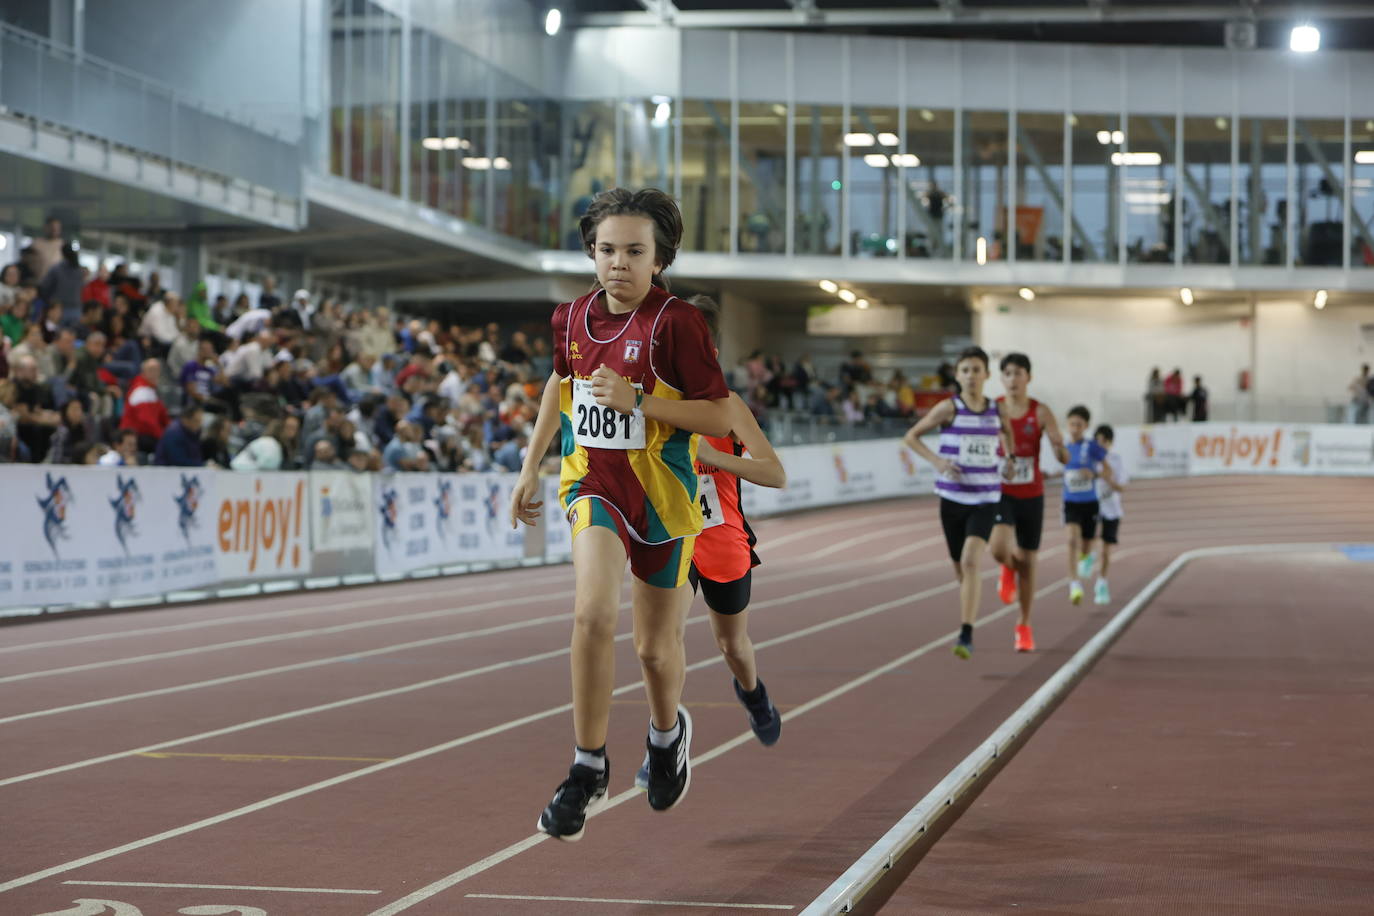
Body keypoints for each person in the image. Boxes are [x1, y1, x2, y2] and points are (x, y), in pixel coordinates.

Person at [509, 187, 730, 842]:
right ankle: (587, 767)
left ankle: (666, 737)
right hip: (594, 483)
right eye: (607, 250)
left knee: (655, 650)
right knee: (592, 613)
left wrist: (641, 402)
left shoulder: (678, 325)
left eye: (635, 252)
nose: (619, 264)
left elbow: (718, 417)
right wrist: (531, 463)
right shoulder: (570, 318)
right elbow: (561, 383)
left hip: (662, 495)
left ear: (659, 260)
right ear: (591, 253)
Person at [632, 295, 787, 792]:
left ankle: (753, 693)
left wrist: (712, 456)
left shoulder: (728, 407)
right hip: (671, 536)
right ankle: (663, 741)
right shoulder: (649, 400)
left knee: (731, 644)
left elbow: (775, 474)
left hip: (722, 540)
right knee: (661, 645)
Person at [902, 346, 1008, 659]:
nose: (971, 376)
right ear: (957, 375)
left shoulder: (997, 410)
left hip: (986, 498)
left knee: (972, 560)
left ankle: (966, 633)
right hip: (952, 498)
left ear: (987, 374)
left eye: (977, 370)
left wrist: (1011, 459)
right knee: (961, 570)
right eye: (965, 370)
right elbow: (911, 437)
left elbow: (1008, 437)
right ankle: (970, 609)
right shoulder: (948, 408)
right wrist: (936, 461)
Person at [989, 353, 1069, 653]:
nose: (1013, 379)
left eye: (1018, 373)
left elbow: (1060, 449)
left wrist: (1060, 451)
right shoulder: (994, 409)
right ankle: (1007, 567)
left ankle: (1024, 625)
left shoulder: (1040, 411)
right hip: (1001, 491)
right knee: (999, 549)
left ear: (1028, 377)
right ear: (1001, 378)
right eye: (1007, 373)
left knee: (1029, 562)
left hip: (1031, 495)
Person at [1060, 405, 1118, 605]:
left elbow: (1108, 471)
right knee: (1071, 540)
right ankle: (1074, 584)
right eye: (1072, 424)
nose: (1075, 428)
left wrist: (1094, 474)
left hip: (1090, 503)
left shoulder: (1092, 446)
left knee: (1085, 546)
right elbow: (1065, 471)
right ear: (1067, 425)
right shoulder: (1064, 447)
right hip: (1070, 502)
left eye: (1079, 425)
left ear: (1085, 426)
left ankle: (1086, 557)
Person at [1092, 424, 1128, 605]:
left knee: (1106, 551)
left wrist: (1108, 479)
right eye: (1098, 441)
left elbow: (1122, 487)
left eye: (1104, 441)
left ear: (1110, 442)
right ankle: (1087, 558)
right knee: (1087, 540)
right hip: (1092, 507)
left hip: (1111, 510)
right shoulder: (1090, 460)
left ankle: (1102, 582)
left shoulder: (1116, 460)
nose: (1101, 445)